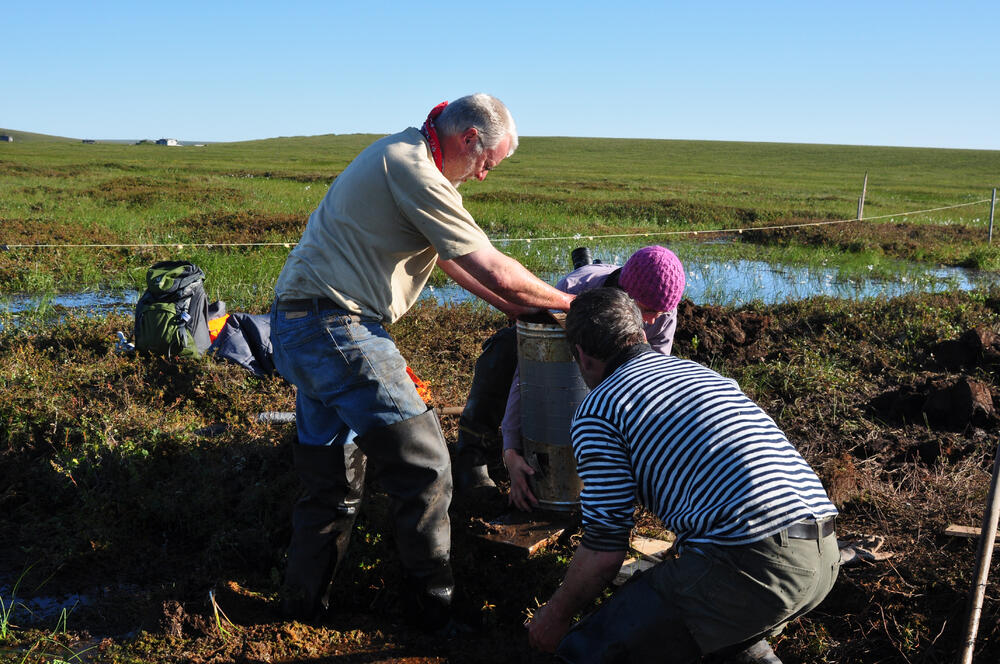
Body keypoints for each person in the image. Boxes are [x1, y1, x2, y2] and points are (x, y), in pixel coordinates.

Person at [269, 93, 574, 633]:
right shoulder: (414, 169)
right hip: (339, 327)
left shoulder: (405, 156)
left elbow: (460, 267)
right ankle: (432, 613)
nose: (483, 176)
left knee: (329, 484)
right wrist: (574, 304)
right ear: (469, 139)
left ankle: (299, 611)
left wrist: (519, 310)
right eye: (487, 163)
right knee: (427, 466)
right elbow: (493, 266)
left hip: (300, 327)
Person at [525, 288, 840, 663]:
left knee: (589, 649)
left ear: (581, 356)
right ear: (641, 333)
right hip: (822, 557)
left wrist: (555, 615)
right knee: (715, 626)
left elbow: (604, 548)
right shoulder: (696, 372)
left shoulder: (599, 409)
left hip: (752, 557)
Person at [453, 245, 685, 512]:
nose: (654, 322)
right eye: (647, 312)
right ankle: (474, 455)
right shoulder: (572, 290)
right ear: (627, 300)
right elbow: (528, 373)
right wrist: (511, 450)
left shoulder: (663, 311)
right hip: (577, 308)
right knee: (504, 349)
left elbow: (649, 384)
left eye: (661, 314)